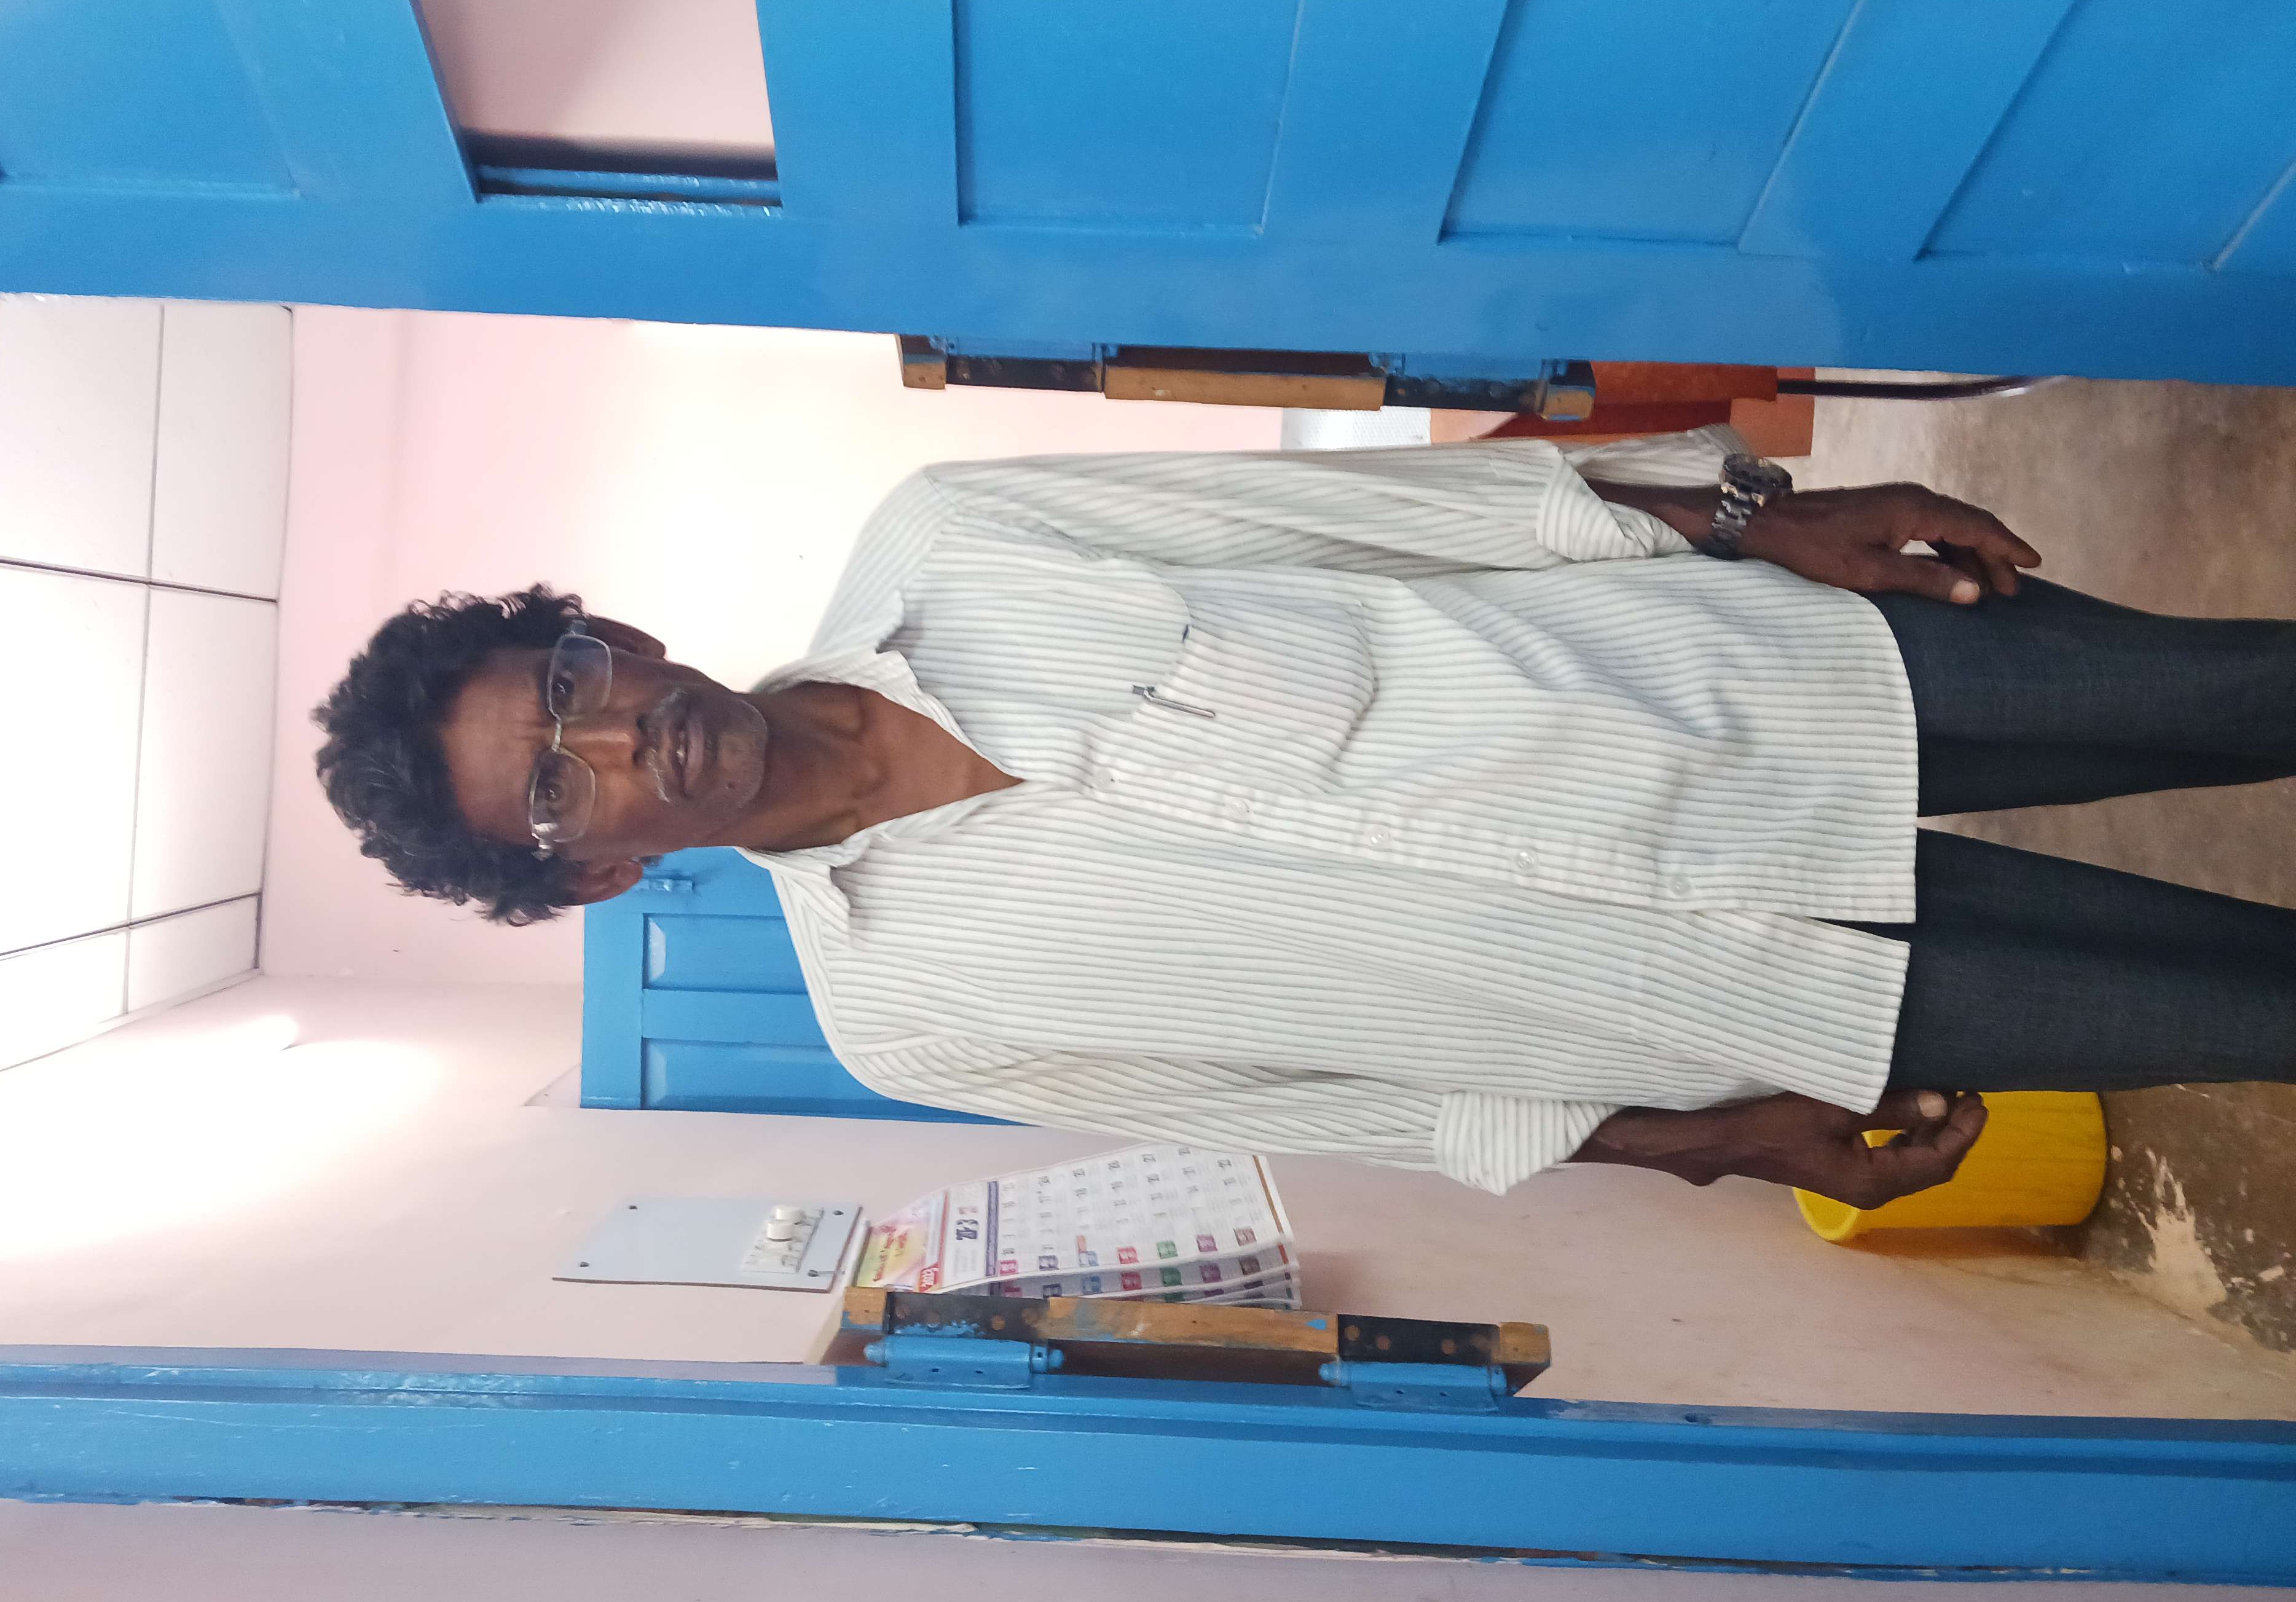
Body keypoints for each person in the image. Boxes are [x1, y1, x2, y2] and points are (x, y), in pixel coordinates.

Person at [315, 428, 2296, 1209]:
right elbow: (1357, 1100)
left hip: (1758, 679)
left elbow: (1395, 516)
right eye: (556, 782)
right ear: (590, 870)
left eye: (568, 683)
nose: (615, 737)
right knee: (2252, 1012)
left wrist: (1755, 516)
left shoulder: (953, 538)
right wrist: (1709, 1141)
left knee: (2243, 690)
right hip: (1750, 991)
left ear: (615, 636)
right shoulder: (906, 1020)